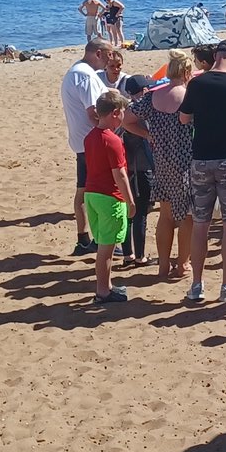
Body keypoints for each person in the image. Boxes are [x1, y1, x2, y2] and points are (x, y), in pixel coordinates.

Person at [180, 40, 226, 305]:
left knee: (201, 223)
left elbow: (184, 118)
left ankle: (197, 285)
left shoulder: (197, 84)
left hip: (201, 158)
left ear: (215, 56)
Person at [128, 51, 196, 279]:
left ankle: (164, 265)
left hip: (162, 162)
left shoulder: (153, 96)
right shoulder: (188, 97)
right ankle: (183, 264)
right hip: (186, 161)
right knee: (187, 216)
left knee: (165, 215)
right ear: (187, 72)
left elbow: (127, 120)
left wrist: (147, 135)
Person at [82, 90, 135, 306]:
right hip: (108, 197)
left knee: (104, 245)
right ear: (114, 113)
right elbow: (119, 174)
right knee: (107, 248)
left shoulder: (91, 136)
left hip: (92, 194)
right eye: (122, 111)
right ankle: (103, 291)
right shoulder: (112, 140)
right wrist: (130, 201)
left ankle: (106, 286)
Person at [60, 38, 113, 255]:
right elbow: (94, 112)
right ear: (98, 53)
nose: (110, 60)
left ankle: (84, 238)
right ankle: (98, 239)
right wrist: (109, 134)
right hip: (91, 143)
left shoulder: (78, 71)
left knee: (84, 188)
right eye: (109, 55)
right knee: (98, 191)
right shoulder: (84, 74)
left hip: (83, 142)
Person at [117, 75, 155, 267]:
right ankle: (139, 256)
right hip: (141, 169)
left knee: (128, 213)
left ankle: (127, 254)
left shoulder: (123, 113)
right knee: (140, 213)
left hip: (127, 170)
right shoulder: (138, 114)